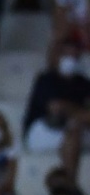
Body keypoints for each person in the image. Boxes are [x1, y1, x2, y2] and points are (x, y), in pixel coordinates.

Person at [22, 38, 90, 175]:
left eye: (74, 56)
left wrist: (72, 111)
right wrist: (78, 112)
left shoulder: (83, 83)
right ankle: (70, 184)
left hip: (75, 129)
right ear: (57, 56)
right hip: (43, 131)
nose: (70, 60)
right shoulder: (45, 80)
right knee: (75, 127)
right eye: (66, 55)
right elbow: (55, 108)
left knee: (75, 127)